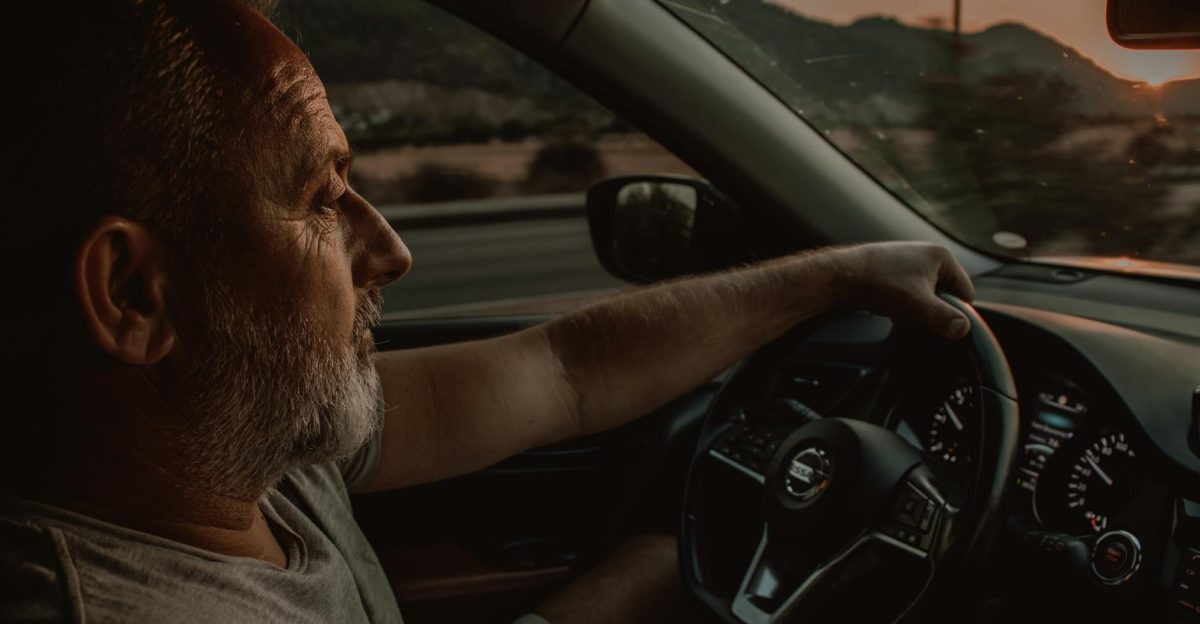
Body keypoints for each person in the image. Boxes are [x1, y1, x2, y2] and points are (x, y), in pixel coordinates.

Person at [0, 1, 975, 622]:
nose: (389, 251)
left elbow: (565, 374)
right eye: (319, 201)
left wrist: (838, 272)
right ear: (135, 295)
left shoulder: (245, 438)